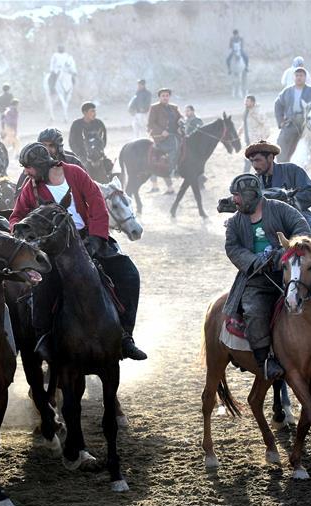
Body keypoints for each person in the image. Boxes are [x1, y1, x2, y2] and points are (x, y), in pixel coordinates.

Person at [9, 143, 147, 361]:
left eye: (29, 168)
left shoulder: (74, 173)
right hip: (53, 248)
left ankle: (125, 336)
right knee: (41, 289)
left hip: (88, 238)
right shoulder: (32, 186)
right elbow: (17, 216)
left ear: (41, 164)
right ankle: (44, 338)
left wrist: (97, 237)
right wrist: (18, 230)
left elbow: (97, 203)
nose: (26, 172)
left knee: (129, 274)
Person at [222, 173, 310, 379]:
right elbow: (232, 248)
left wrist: (284, 254)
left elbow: (301, 228)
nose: (234, 200)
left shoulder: (281, 210)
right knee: (254, 310)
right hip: (256, 278)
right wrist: (255, 261)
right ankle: (265, 360)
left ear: (251, 195)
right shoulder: (235, 222)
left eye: (237, 195)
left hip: (291, 269)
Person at [246, 140, 311, 233]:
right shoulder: (254, 181)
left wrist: (291, 201)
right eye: (252, 161)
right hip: (267, 222)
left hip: (297, 215)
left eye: (258, 160)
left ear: (270, 158)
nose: (254, 165)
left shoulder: (291, 170)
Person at [274, 67, 311, 162]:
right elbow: (278, 104)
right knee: (281, 143)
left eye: (301, 75)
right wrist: (280, 120)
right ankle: (283, 166)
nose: (299, 77)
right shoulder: (287, 91)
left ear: (305, 77)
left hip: (308, 124)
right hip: (291, 122)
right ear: (294, 77)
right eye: (297, 75)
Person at [147, 88, 182, 179]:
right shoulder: (154, 108)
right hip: (162, 137)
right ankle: (172, 170)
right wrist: (162, 131)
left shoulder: (174, 107)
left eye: (167, 96)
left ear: (169, 97)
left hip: (176, 135)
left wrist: (180, 125)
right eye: (163, 96)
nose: (165, 98)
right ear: (159, 97)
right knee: (174, 147)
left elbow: (180, 118)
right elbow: (151, 123)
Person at [240, 96, 271, 172]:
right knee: (248, 157)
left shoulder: (258, 111)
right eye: (245, 101)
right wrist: (240, 131)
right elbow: (245, 123)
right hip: (248, 139)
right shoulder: (246, 111)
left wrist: (264, 136)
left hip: (256, 139)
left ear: (253, 102)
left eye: (248, 101)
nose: (246, 103)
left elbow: (265, 123)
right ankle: (246, 174)